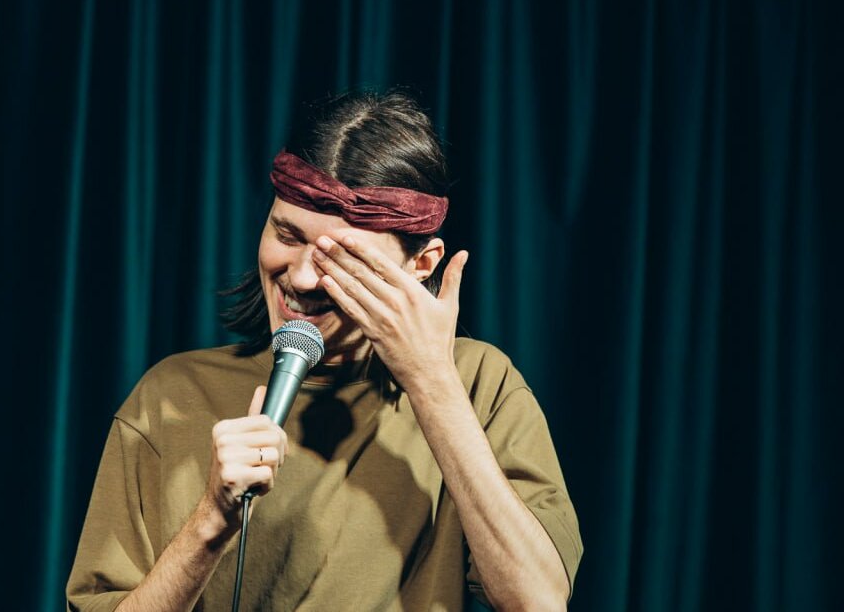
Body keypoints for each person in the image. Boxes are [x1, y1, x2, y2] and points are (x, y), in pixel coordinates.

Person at [67, 90, 582, 611]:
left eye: (343, 259)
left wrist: (432, 383)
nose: (303, 278)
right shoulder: (171, 396)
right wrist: (211, 520)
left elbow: (538, 601)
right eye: (288, 235)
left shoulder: (478, 384)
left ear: (422, 264)